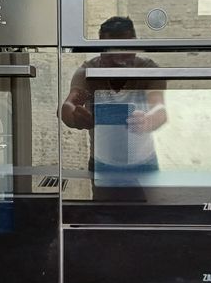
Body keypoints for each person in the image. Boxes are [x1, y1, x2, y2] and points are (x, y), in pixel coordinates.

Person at [61, 16, 167, 173]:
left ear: (134, 46)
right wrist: (74, 116)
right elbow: (68, 105)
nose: (118, 60)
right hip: (103, 163)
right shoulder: (87, 72)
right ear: (101, 49)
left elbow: (159, 108)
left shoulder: (148, 69)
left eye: (124, 51)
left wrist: (149, 120)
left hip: (143, 162)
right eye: (111, 52)